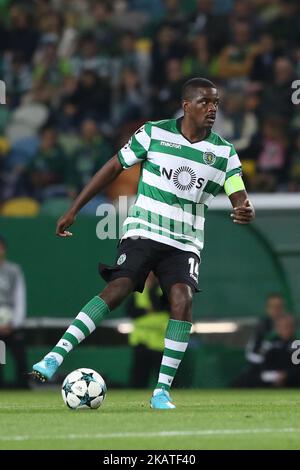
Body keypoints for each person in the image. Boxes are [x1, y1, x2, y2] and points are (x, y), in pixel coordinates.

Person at [31, 77, 255, 409]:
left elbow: (237, 190)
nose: (212, 109)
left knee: (183, 299)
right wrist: (74, 208)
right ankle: (54, 357)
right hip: (145, 230)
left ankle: (161, 391)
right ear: (186, 105)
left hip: (185, 242)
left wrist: (243, 207)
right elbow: (112, 167)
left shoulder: (223, 152)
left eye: (216, 103)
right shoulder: (153, 132)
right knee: (118, 288)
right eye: (205, 102)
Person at [234, 314, 300, 388]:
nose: (284, 329)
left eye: (287, 326)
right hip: (271, 378)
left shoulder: (297, 345)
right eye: (281, 326)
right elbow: (262, 364)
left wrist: (286, 375)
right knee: (248, 377)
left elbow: (297, 368)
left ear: (293, 328)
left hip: (292, 381)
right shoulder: (271, 344)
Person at [128, 272, 169, 388]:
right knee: (139, 378)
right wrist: (147, 310)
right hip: (142, 341)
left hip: (160, 342)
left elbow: (161, 306)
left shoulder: (163, 290)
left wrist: (151, 290)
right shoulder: (137, 292)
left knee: (166, 378)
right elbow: (131, 312)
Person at [0, 235, 28, 388]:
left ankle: (23, 387)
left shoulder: (13, 270)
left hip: (11, 325)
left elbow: (19, 297)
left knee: (21, 360)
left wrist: (14, 323)